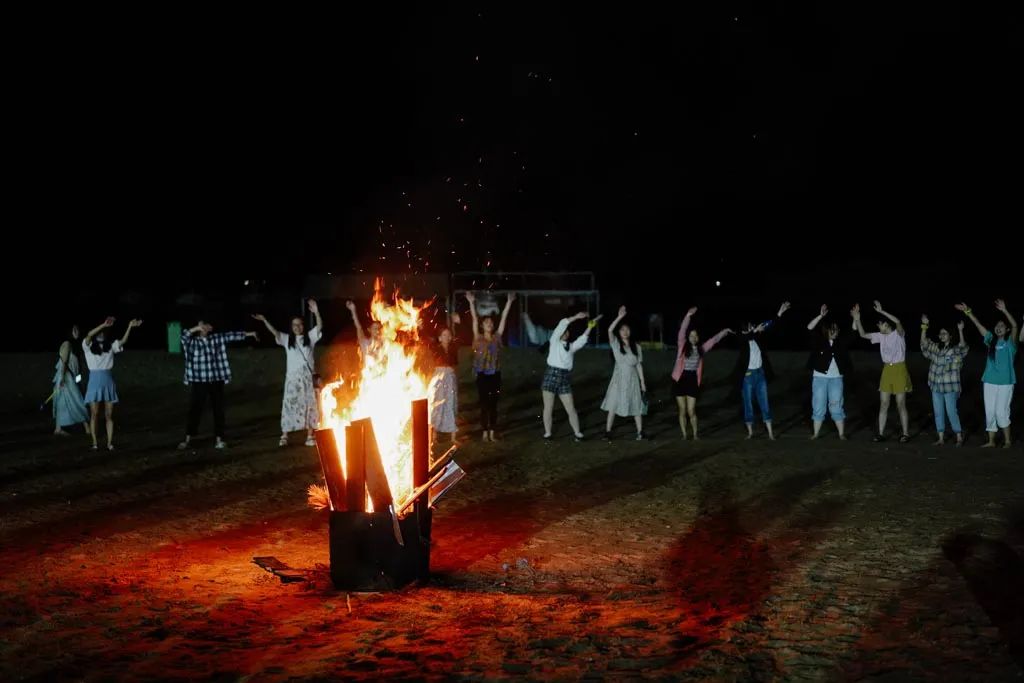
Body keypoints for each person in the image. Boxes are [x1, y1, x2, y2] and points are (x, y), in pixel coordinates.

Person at [253, 299, 324, 447]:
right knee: (290, 405)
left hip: (307, 378)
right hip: (293, 379)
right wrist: (265, 320)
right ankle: (285, 434)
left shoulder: (309, 337)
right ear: (291, 327)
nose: (297, 327)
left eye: (299, 324)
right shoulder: (286, 339)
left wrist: (316, 312)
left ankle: (310, 435)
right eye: (294, 325)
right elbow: (274, 332)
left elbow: (319, 326)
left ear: (303, 326)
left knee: (310, 405)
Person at [177, 321, 258, 451]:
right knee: (195, 409)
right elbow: (182, 337)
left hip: (216, 380)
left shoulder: (216, 339)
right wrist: (196, 328)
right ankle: (188, 439)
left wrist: (250, 334)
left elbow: (231, 335)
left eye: (205, 326)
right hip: (199, 381)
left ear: (210, 328)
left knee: (218, 410)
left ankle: (219, 439)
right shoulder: (192, 342)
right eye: (200, 326)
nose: (203, 328)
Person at [958, 300, 1017, 448]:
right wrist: (968, 312)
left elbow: (1015, 326)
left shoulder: (1010, 343)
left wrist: (1004, 310)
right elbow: (978, 325)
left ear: (1007, 330)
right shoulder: (990, 341)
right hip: (989, 381)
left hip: (1005, 382)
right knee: (990, 411)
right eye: (997, 326)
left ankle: (1008, 441)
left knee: (1001, 412)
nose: (999, 328)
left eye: (1002, 326)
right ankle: (991, 441)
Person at [852, 301, 912, 442]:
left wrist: (882, 311)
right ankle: (880, 433)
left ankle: (905, 433)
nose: (878, 327)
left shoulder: (899, 334)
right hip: (887, 370)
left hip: (899, 369)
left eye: (880, 324)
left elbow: (897, 321)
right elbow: (862, 334)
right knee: (884, 403)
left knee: (900, 403)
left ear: (887, 325)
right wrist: (857, 319)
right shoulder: (880, 336)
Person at [671, 307, 732, 440]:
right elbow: (682, 330)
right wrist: (688, 315)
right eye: (691, 335)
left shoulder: (701, 350)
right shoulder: (682, 346)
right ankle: (684, 435)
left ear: (698, 338)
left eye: (695, 335)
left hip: (692, 379)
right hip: (680, 379)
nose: (693, 337)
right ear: (688, 337)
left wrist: (724, 332)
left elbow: (713, 340)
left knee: (691, 410)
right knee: (682, 410)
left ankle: (695, 434)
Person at [732, 301, 791, 440]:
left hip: (760, 374)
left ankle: (770, 433)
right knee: (748, 404)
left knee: (764, 403)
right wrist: (754, 330)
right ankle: (750, 433)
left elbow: (769, 324)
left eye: (753, 326)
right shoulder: (742, 338)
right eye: (750, 326)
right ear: (745, 328)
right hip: (747, 376)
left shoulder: (757, 337)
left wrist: (780, 312)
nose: (754, 327)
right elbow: (744, 337)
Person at [83, 317, 142, 450]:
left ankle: (110, 443)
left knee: (109, 415)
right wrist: (103, 324)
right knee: (94, 414)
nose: (101, 333)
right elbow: (89, 335)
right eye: (100, 331)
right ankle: (94, 443)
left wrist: (129, 327)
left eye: (104, 331)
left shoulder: (111, 346)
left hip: (107, 381)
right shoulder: (88, 346)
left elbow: (123, 341)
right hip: (94, 382)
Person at [467, 291, 515, 442]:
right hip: (482, 375)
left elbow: (504, 319)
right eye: (486, 322)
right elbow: (474, 319)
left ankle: (493, 432)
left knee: (493, 404)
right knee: (484, 405)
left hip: (495, 374)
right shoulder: (478, 338)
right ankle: (484, 432)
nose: (489, 324)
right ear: (482, 326)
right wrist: (471, 302)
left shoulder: (497, 338)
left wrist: (509, 302)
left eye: (491, 323)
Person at [542, 312, 597, 441]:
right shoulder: (554, 341)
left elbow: (582, 340)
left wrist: (590, 326)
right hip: (551, 374)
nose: (565, 333)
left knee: (571, 408)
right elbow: (562, 323)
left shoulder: (571, 347)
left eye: (567, 332)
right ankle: (548, 433)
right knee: (548, 407)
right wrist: (576, 317)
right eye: (564, 331)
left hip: (564, 378)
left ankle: (577, 432)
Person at [919, 314, 968, 446]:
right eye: (940, 333)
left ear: (950, 336)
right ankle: (940, 437)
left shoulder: (955, 349)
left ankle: (958, 435)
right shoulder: (936, 348)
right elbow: (924, 345)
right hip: (936, 386)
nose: (942, 335)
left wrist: (960, 330)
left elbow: (963, 348)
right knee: (938, 411)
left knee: (951, 411)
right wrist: (924, 327)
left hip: (950, 387)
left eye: (945, 333)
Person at [806, 305, 852, 440]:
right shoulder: (819, 341)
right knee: (818, 405)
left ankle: (841, 434)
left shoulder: (840, 343)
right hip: (820, 378)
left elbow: (853, 334)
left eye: (837, 330)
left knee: (836, 406)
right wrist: (820, 316)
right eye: (833, 330)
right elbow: (809, 328)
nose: (835, 332)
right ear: (827, 330)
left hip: (836, 379)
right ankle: (815, 434)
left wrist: (856, 319)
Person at [601, 306, 647, 440]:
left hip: (632, 379)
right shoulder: (616, 344)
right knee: (613, 405)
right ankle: (608, 432)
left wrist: (642, 383)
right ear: (619, 332)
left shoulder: (636, 347)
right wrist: (619, 317)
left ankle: (640, 432)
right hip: (619, 379)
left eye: (627, 329)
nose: (625, 332)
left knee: (637, 405)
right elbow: (609, 330)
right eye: (622, 329)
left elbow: (638, 365)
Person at [428, 312, 461, 445]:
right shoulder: (435, 348)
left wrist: (457, 324)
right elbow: (425, 338)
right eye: (444, 335)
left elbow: (460, 338)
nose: (447, 337)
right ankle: (434, 436)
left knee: (451, 403)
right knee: (437, 405)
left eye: (448, 335)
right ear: (440, 338)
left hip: (450, 377)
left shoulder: (453, 348)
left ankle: (453, 436)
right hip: (439, 378)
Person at [52, 325, 89, 436]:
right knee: (77, 400)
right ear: (70, 332)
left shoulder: (76, 346)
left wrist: (78, 380)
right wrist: (63, 378)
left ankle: (58, 428)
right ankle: (87, 428)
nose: (76, 331)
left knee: (64, 401)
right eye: (74, 330)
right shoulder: (67, 344)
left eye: (78, 329)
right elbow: (64, 362)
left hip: (72, 377)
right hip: (66, 377)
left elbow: (77, 367)